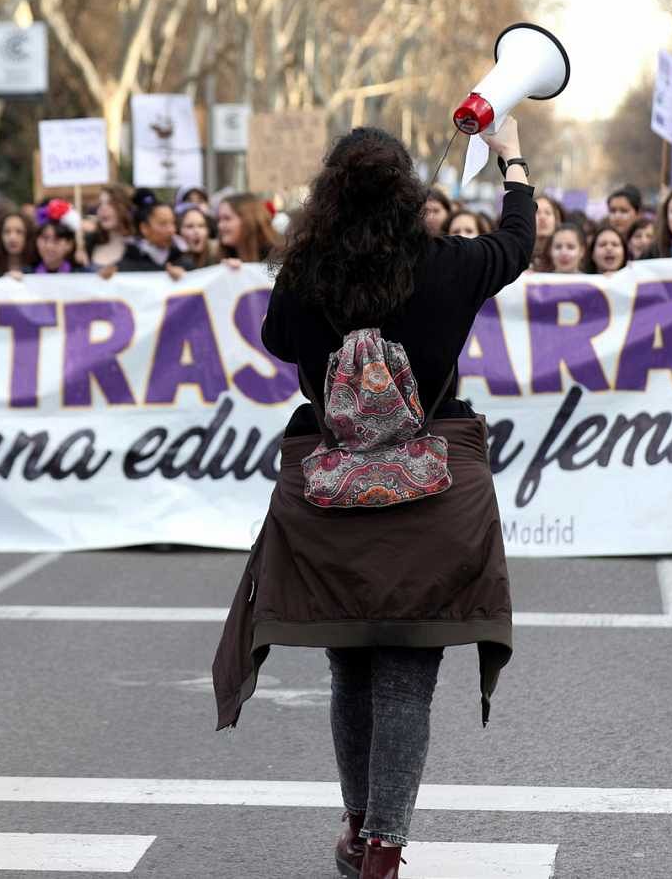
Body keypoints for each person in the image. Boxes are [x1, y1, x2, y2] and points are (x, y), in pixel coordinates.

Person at [213, 119, 529, 879]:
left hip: (330, 493)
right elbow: (517, 244)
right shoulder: (449, 265)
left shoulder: (307, 274)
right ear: (409, 194)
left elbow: (280, 341)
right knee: (405, 678)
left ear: (328, 194)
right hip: (431, 497)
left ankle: (357, 831)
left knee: (349, 668)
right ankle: (385, 849)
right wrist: (512, 156)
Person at [111, 191, 190, 279]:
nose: (171, 230)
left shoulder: (183, 261)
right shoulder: (125, 267)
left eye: (173, 223)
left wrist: (185, 279)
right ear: (144, 228)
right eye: (163, 224)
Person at [218, 193, 281, 265]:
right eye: (219, 219)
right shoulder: (218, 257)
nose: (220, 225)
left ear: (248, 220)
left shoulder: (279, 258)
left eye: (227, 218)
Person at [88, 186, 137, 270]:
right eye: (100, 204)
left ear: (124, 206)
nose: (103, 208)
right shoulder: (88, 243)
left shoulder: (139, 247)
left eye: (110, 203)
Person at [530, 194, 564, 271]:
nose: (542, 217)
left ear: (557, 220)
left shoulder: (564, 257)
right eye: (536, 212)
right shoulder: (516, 255)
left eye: (548, 213)